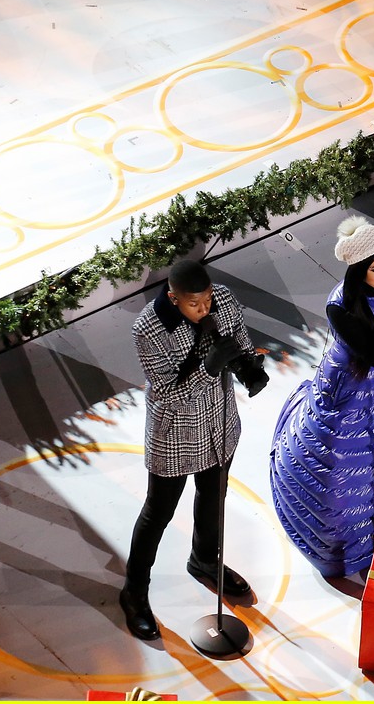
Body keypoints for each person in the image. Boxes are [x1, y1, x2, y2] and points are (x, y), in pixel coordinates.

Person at [269, 217, 374, 577]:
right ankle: (340, 551)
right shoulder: (338, 305)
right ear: (359, 270)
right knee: (339, 470)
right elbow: (372, 353)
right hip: (351, 389)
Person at [120, 259, 268, 640]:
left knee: (213, 496)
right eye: (194, 304)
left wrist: (248, 365)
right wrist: (209, 367)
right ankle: (134, 592)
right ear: (174, 298)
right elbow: (169, 395)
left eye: (206, 300)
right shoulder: (148, 329)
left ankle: (205, 560)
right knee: (158, 512)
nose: (205, 308)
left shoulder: (223, 299)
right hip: (176, 433)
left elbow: (240, 342)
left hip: (218, 422)